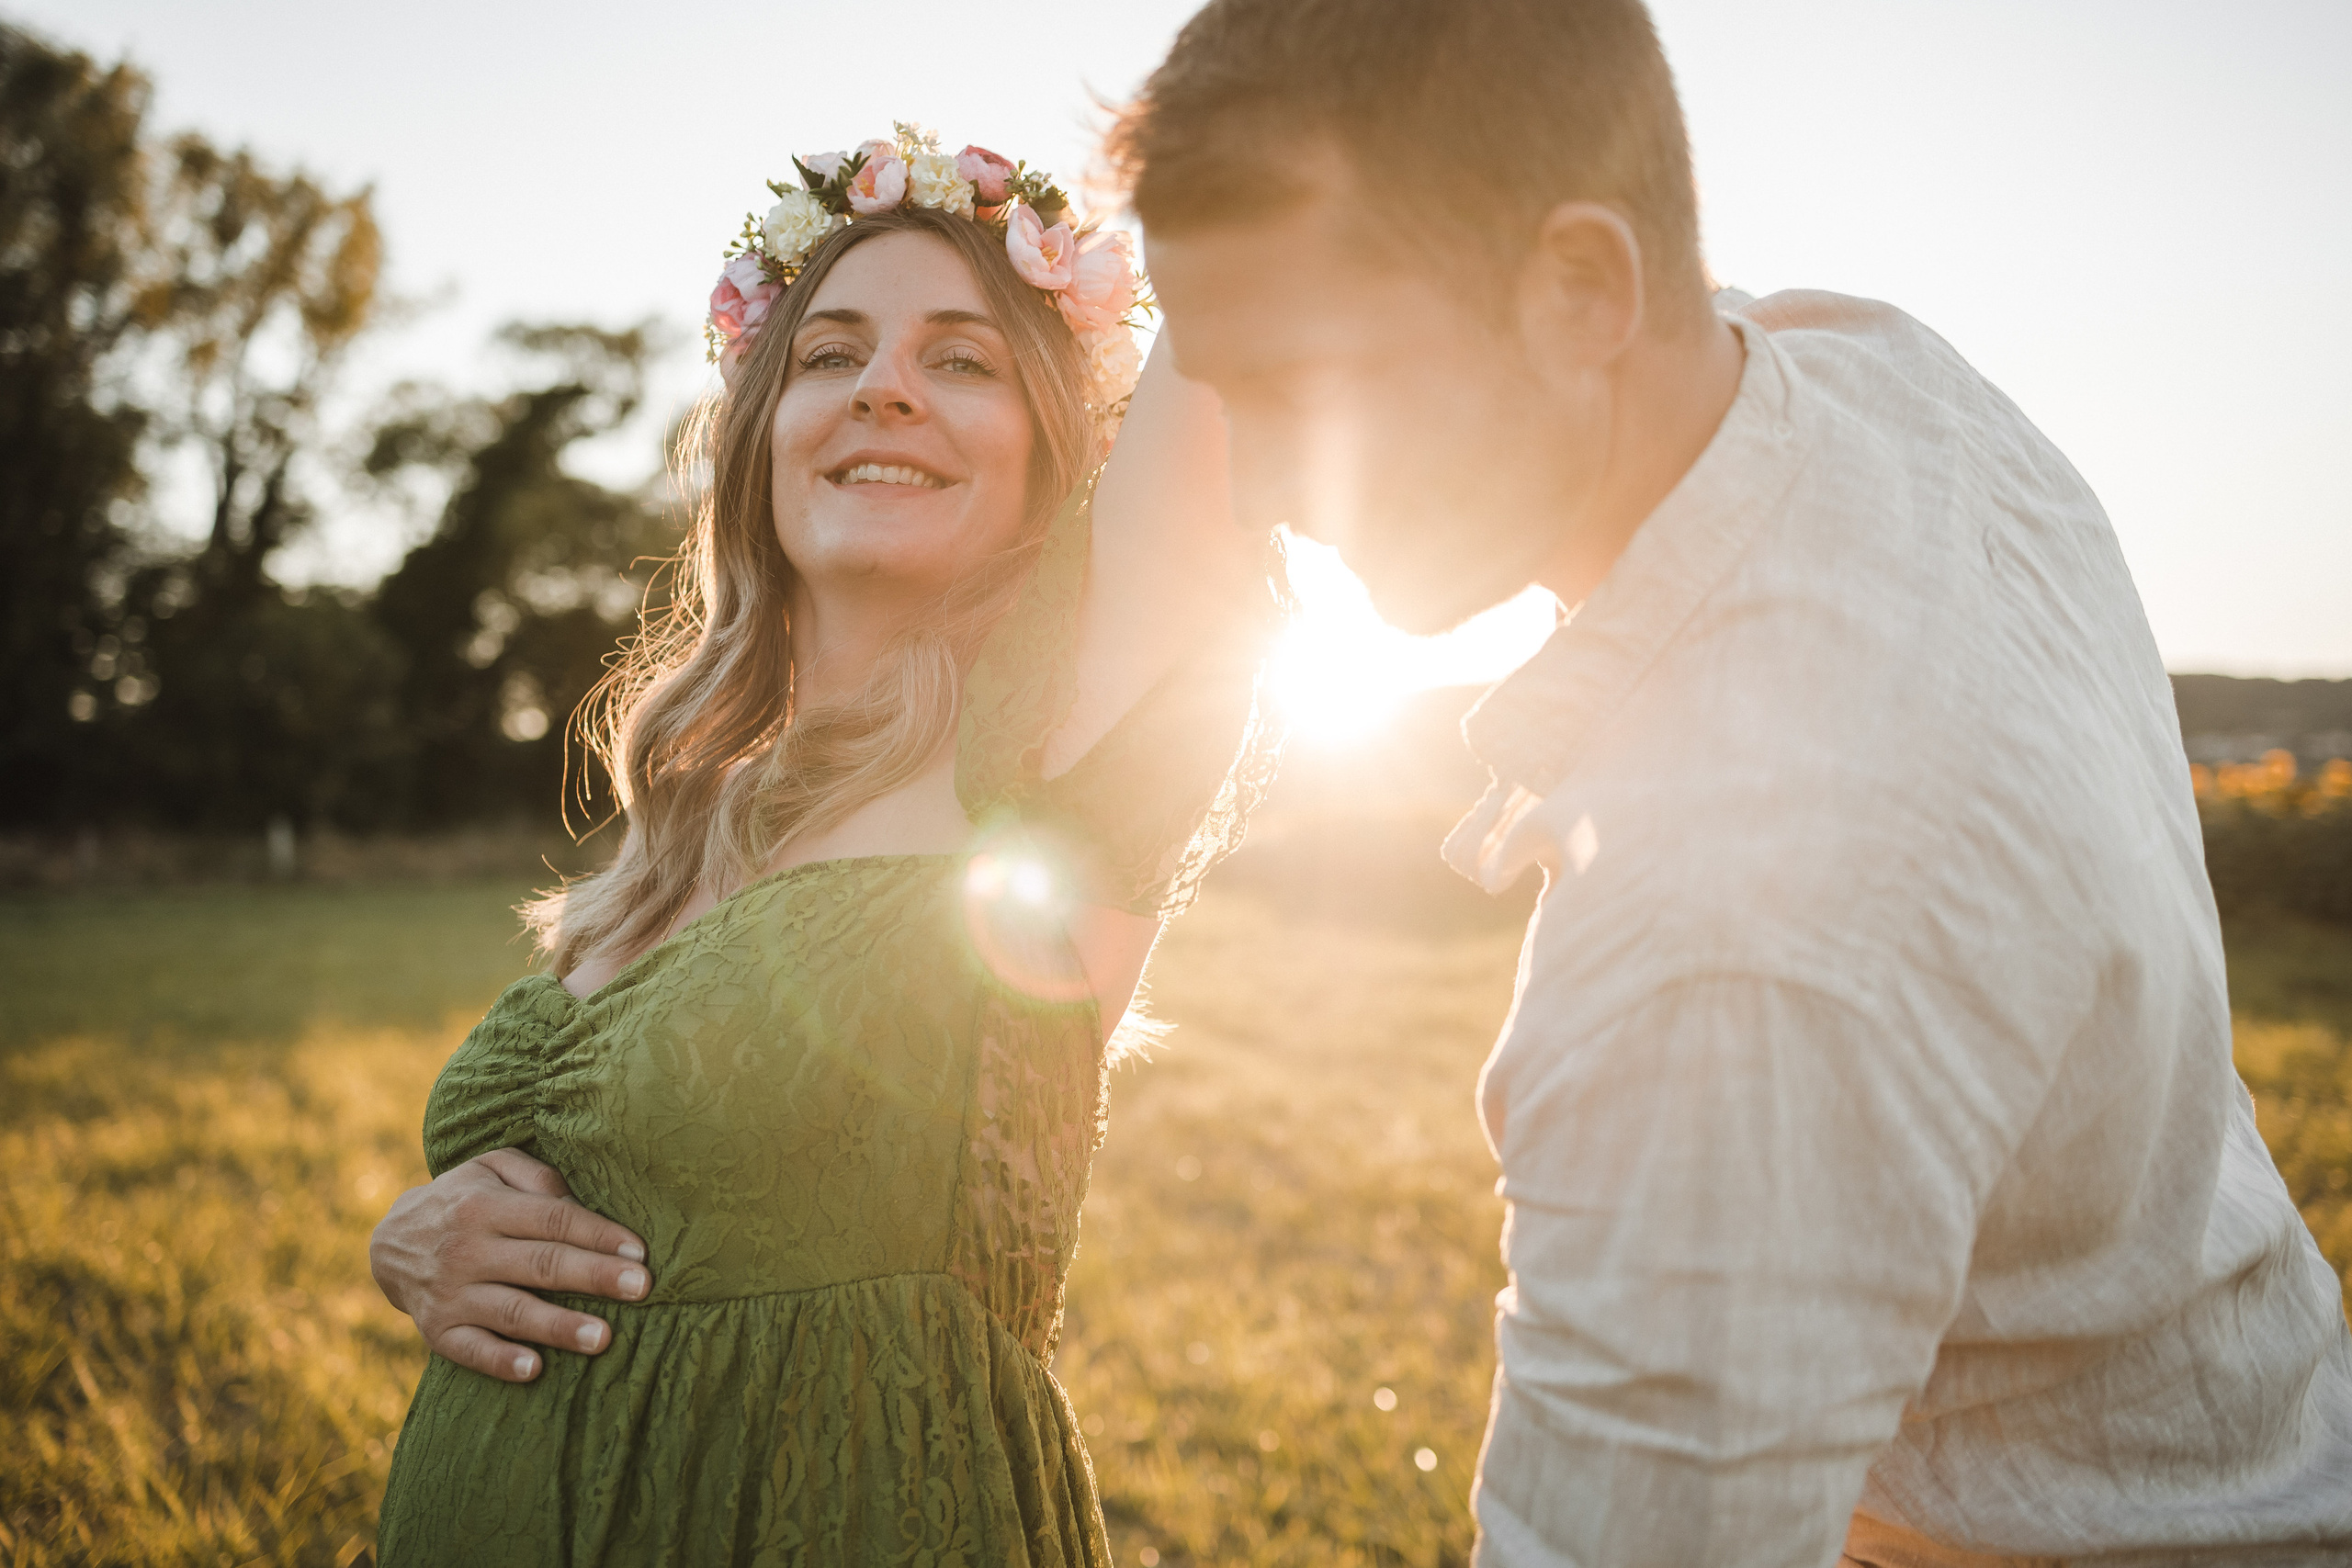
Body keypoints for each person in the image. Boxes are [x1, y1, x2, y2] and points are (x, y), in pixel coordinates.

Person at [1112, 0, 2352, 1562]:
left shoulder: (1719, 955)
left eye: (1304, 383)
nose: (1261, 491)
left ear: (1580, 288)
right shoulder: (1897, 382)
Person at [368, 132, 1281, 1562]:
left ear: (1059, 451)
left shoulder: (1047, 758)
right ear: (764, 436)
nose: (884, 387)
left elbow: (1262, 230)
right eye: (829, 353)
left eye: (962, 360)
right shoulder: (695, 811)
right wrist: (411, 1242)